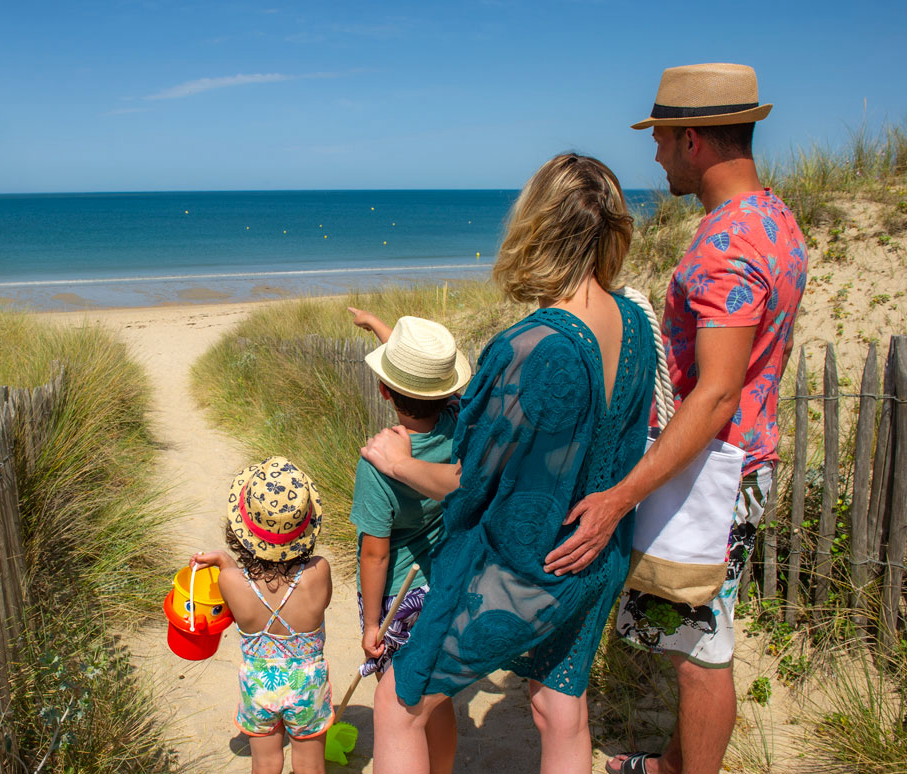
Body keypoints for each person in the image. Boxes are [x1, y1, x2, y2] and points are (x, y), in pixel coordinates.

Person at [542, 64, 808, 774]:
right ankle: (664, 765)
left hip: (716, 470)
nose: (654, 155)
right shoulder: (774, 219)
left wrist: (620, 497)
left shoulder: (729, 244)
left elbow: (717, 393)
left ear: (692, 139)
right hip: (738, 460)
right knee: (699, 637)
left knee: (701, 653)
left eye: (660, 139)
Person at [361, 153, 657, 774]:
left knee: (400, 704)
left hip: (526, 570)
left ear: (537, 226)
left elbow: (470, 482)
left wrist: (399, 462)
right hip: (595, 556)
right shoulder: (633, 321)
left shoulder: (533, 345)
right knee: (560, 707)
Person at [346, 310, 470, 771]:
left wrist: (371, 625)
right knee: (435, 692)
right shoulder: (458, 420)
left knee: (403, 699)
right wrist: (379, 326)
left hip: (401, 593)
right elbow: (434, 386)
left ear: (383, 390)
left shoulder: (378, 462)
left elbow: (375, 553)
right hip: (444, 581)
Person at [190, 456, 333, 774]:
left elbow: (235, 582)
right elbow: (321, 604)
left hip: (260, 684)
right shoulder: (319, 571)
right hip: (307, 682)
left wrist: (225, 562)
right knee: (311, 765)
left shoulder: (231, 582)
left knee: (266, 763)